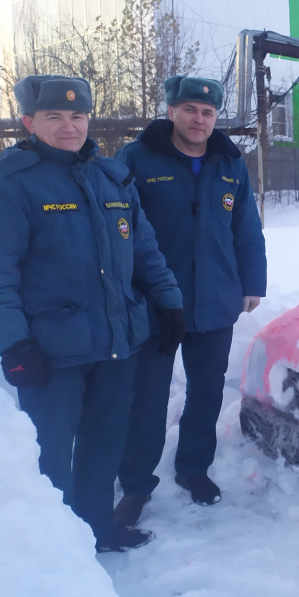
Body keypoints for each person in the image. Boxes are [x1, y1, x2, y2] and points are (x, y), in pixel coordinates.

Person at [0, 75, 184, 552]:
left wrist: (168, 302)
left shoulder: (111, 176)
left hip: (116, 342)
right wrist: (14, 342)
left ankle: (98, 527)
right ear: (28, 121)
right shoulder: (12, 183)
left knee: (105, 444)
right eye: (55, 117)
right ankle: (58, 552)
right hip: (50, 354)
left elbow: (145, 252)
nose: (69, 126)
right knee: (52, 454)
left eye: (77, 116)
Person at [114, 75, 267, 526]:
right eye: (189, 110)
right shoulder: (137, 158)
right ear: (171, 112)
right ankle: (137, 482)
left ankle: (193, 469)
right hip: (156, 303)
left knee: (206, 392)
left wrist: (251, 284)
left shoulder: (229, 162)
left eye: (208, 113)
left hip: (216, 301)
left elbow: (247, 228)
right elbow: (118, 231)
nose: (199, 119)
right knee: (149, 395)